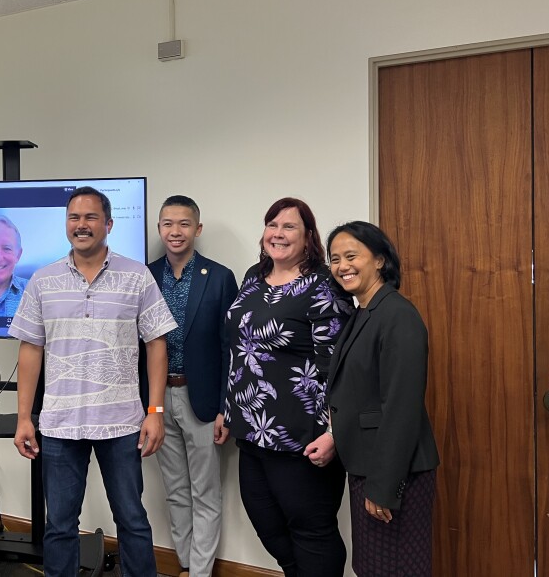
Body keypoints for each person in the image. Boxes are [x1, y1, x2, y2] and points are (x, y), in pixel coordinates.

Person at [9, 186, 176, 577]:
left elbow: (157, 346)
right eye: (74, 218)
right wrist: (23, 418)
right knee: (60, 524)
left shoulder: (137, 277)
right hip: (60, 423)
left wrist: (155, 411)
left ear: (109, 224)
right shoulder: (42, 281)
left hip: (121, 422)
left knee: (132, 519)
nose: (81, 225)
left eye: (90, 217)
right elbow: (30, 351)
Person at [224, 197, 353, 577]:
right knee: (270, 528)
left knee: (313, 533)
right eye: (272, 225)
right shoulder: (252, 277)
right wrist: (226, 408)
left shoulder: (323, 285)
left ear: (309, 236)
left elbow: (339, 367)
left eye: (289, 227)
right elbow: (238, 348)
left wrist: (334, 432)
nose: (278, 234)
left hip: (303, 437)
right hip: (251, 433)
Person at [326, 221, 440, 577]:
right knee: (373, 566)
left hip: (392, 473)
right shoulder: (364, 311)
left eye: (351, 255)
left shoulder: (397, 316)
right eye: (334, 259)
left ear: (379, 260)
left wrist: (383, 486)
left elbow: (401, 408)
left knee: (395, 568)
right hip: (368, 466)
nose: (342, 265)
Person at [146, 195, 237, 577]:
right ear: (159, 229)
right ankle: (185, 564)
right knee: (175, 490)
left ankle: (200, 572)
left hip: (201, 399)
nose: (175, 231)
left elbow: (231, 348)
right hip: (156, 397)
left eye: (184, 224)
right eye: (168, 223)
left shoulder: (220, 277)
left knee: (204, 491)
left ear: (197, 229)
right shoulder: (145, 275)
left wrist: (225, 407)